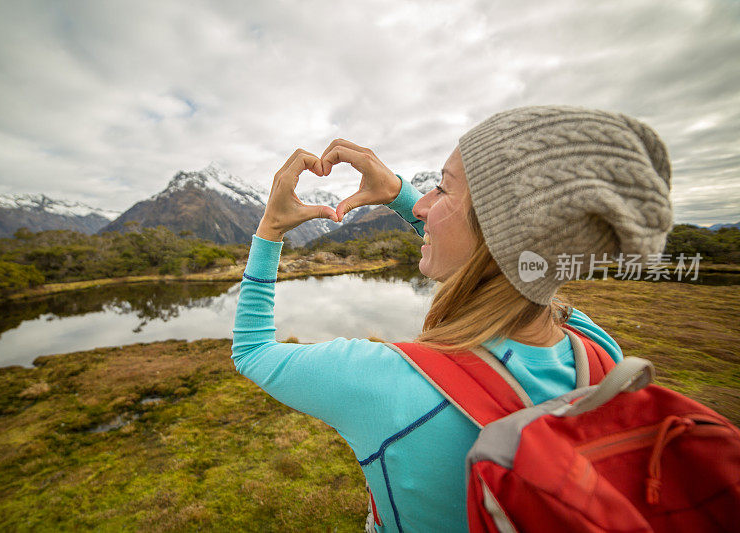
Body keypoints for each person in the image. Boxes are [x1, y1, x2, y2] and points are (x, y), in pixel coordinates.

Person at [231, 105, 674, 532]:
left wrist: (270, 229)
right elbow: (513, 261)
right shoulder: (596, 350)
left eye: (442, 188)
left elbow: (252, 351)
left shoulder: (384, 381)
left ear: (493, 232)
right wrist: (399, 195)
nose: (421, 206)